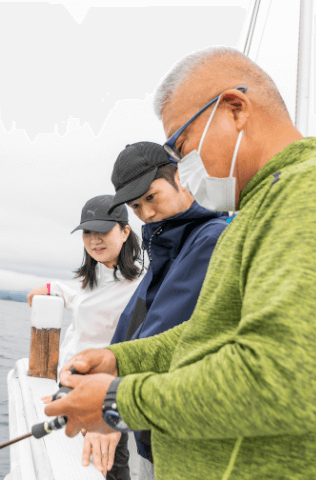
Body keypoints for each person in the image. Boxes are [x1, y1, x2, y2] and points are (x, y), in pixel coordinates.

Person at [45, 46, 316, 480]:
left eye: (182, 144)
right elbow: (210, 333)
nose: (180, 164)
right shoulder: (256, 212)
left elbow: (281, 383)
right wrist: (122, 361)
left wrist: (116, 400)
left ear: (235, 108)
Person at [102, 141, 228, 479]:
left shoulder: (210, 239)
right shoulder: (169, 243)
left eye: (151, 197)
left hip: (185, 437)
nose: (146, 213)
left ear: (179, 179)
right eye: (135, 206)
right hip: (153, 431)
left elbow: (163, 332)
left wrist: (106, 400)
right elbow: (134, 322)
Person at [27, 194, 143, 479]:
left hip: (102, 393)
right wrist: (53, 287)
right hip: (72, 384)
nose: (94, 240)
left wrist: (114, 413)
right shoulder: (96, 276)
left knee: (104, 467)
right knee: (76, 462)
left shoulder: (139, 283)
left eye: (103, 231)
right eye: (87, 232)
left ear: (125, 231)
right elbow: (85, 300)